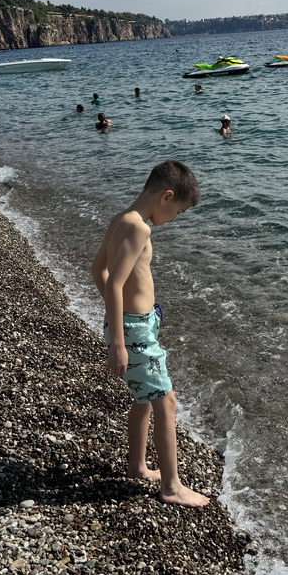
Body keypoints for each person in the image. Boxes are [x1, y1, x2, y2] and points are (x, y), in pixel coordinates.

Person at [90, 160, 208, 508]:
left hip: (135, 324)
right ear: (166, 196)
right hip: (136, 330)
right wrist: (120, 339)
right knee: (166, 402)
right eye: (178, 211)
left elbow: (97, 269)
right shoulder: (140, 228)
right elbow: (115, 282)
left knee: (144, 399)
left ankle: (138, 466)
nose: (174, 219)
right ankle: (171, 487)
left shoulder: (120, 219)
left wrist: (117, 321)